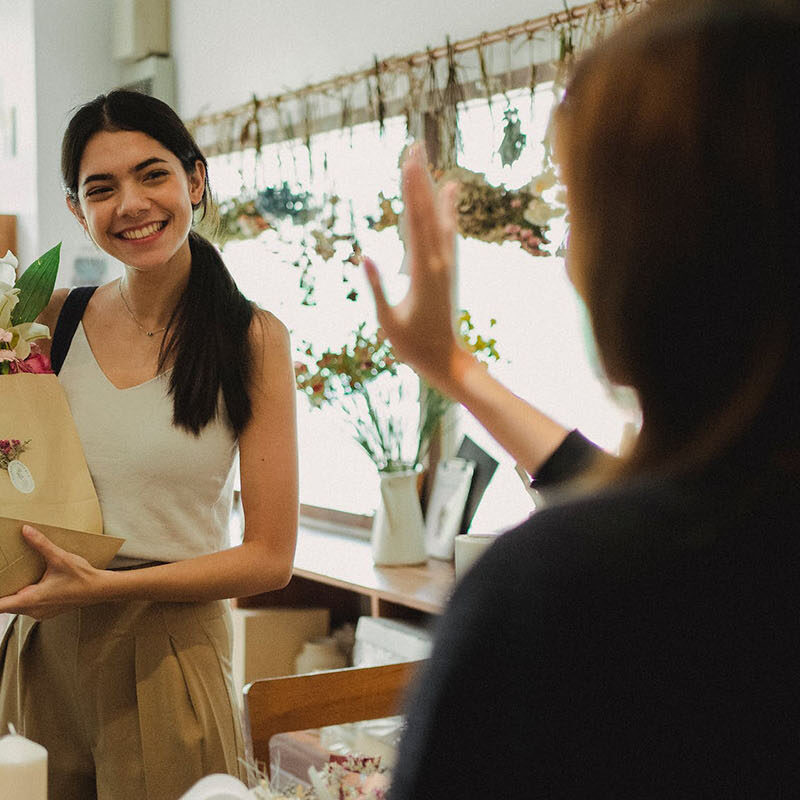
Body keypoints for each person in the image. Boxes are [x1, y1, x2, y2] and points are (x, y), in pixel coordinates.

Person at [363, 1, 800, 796]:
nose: (569, 261)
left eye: (580, 210)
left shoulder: (560, 596)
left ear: (661, 249)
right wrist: (452, 366)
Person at [0, 90, 298, 799]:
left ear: (194, 180)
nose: (131, 203)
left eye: (152, 173)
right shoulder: (47, 319)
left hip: (169, 653)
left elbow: (270, 558)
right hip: (42, 652)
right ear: (78, 211)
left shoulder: (253, 339)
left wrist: (106, 587)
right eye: (101, 188)